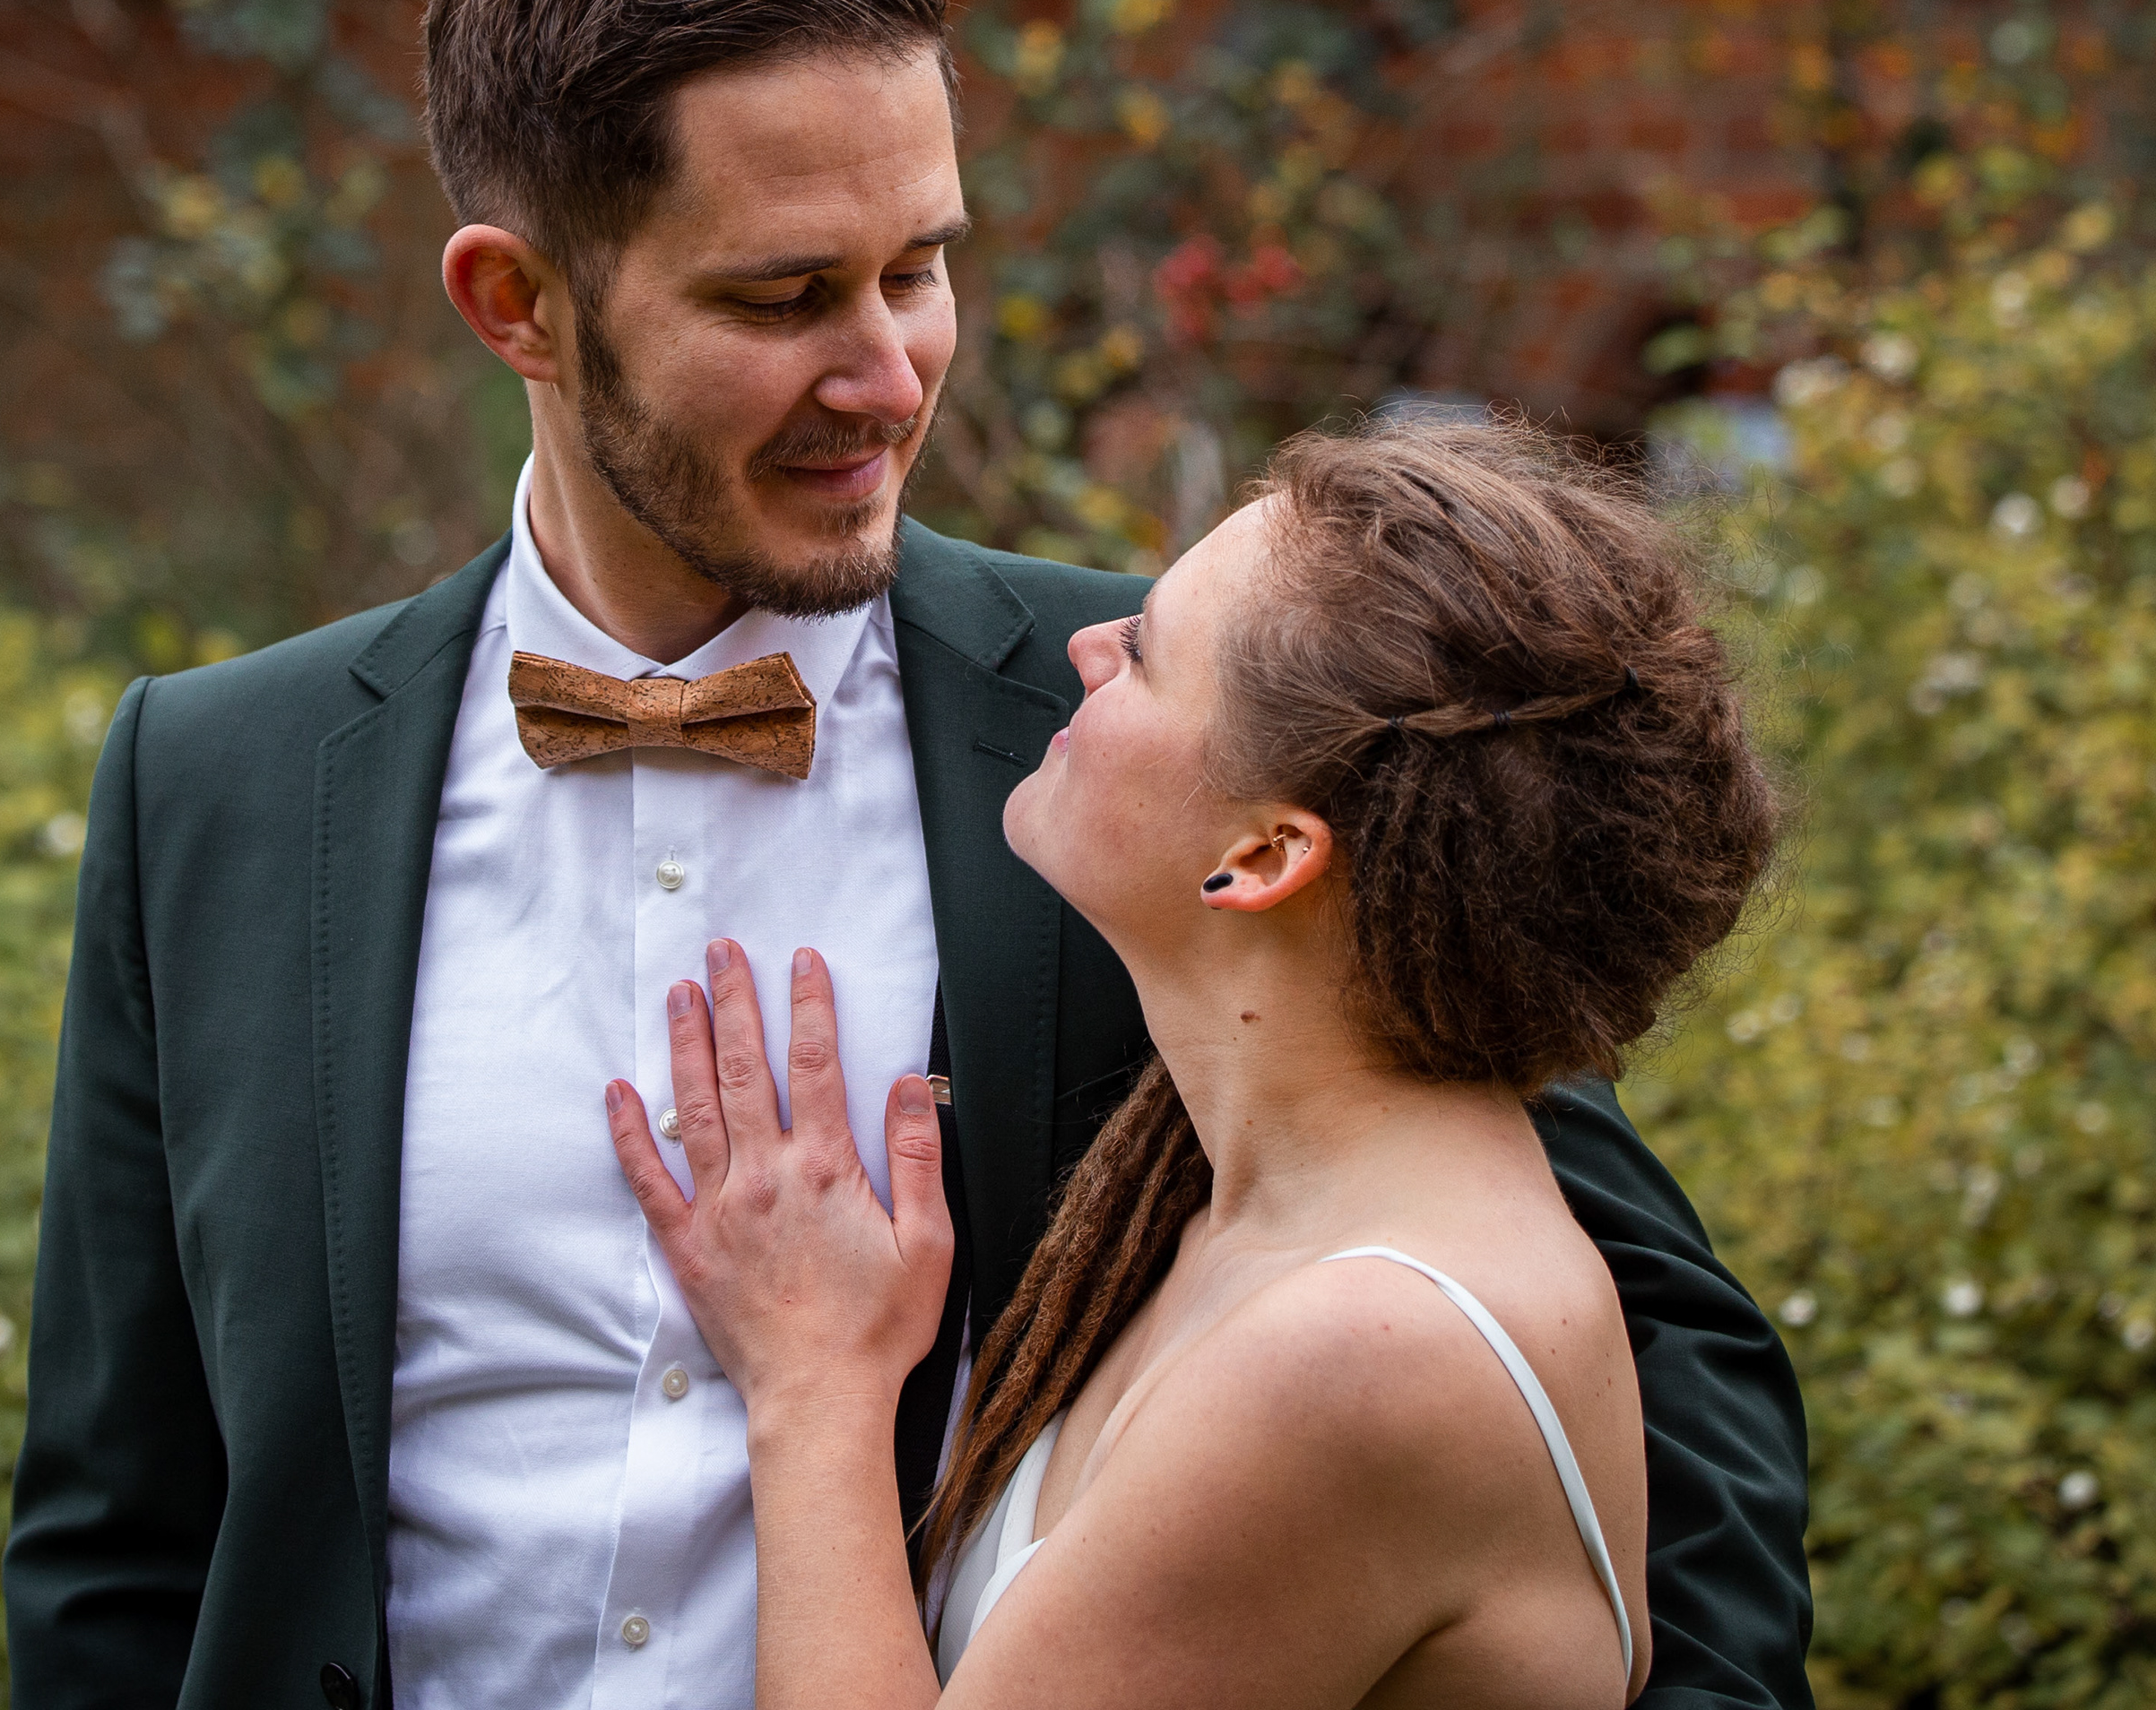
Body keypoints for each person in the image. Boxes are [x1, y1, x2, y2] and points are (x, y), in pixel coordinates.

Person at [2, 0, 1814, 1710]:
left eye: (920, 268)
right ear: (517, 303)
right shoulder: (217, 784)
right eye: (786, 296)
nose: (888, 375)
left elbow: (1631, 1365)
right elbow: (119, 1529)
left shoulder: (1171, 747)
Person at [608, 420, 1777, 1707]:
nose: (1084, 646)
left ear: (1264, 857)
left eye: (1145, 654)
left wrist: (815, 1383)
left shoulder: (1360, 1353)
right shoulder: (1239, 1197)